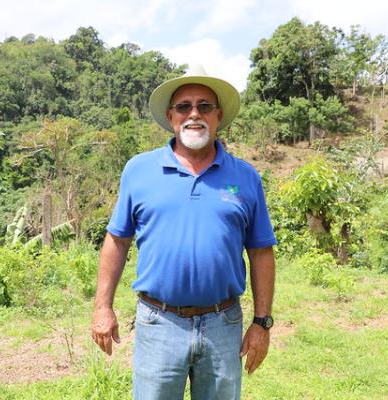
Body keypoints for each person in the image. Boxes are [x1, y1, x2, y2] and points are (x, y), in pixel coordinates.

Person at [91, 65, 277, 400]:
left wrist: (261, 323)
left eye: (204, 106)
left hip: (223, 323)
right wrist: (103, 307)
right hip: (159, 322)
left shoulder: (246, 178)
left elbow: (261, 250)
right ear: (170, 116)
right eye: (184, 107)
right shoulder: (139, 170)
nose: (194, 114)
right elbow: (117, 239)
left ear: (218, 116)